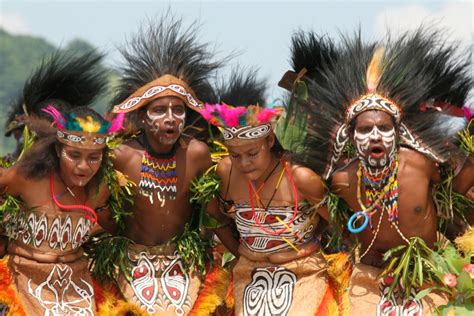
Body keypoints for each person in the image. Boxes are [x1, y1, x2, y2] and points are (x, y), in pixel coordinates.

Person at [284, 28, 473, 314]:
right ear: (351, 136)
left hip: (430, 275)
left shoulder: (423, 164)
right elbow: (335, 222)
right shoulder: (342, 179)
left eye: (383, 128)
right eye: (365, 129)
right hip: (368, 280)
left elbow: (452, 197)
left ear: (397, 133)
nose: (375, 136)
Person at [97, 15, 229, 315]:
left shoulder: (197, 154)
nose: (170, 117)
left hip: (184, 264)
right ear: (143, 117)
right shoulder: (120, 156)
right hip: (128, 262)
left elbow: (212, 213)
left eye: (178, 110)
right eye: (159, 110)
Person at [200, 69, 338, 316]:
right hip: (246, 274)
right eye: (235, 155)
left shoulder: (300, 178)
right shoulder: (226, 172)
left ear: (270, 141)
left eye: (252, 153)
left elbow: (338, 225)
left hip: (304, 274)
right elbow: (214, 218)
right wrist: (240, 253)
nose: (244, 164)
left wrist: (308, 243)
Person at [0, 51, 124, 315]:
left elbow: (119, 228)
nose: (83, 166)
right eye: (74, 155)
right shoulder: (26, 177)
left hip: (75, 285)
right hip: (23, 279)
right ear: (58, 151)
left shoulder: (101, 189)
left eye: (93, 158)